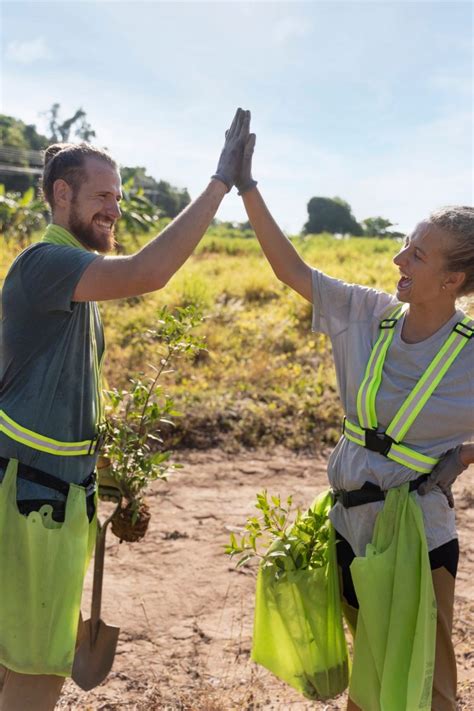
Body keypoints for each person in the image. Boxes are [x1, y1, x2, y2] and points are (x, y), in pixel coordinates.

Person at [0, 107, 250, 711]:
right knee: (33, 671)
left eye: (118, 195)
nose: (114, 208)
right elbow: (149, 272)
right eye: (102, 196)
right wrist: (220, 184)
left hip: (51, 499)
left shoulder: (78, 287)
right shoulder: (46, 264)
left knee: (14, 664)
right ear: (62, 195)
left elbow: (68, 397)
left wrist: (115, 479)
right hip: (29, 499)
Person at [234, 134, 474, 710]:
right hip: (349, 524)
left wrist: (463, 457)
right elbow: (291, 268)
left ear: (452, 281)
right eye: (404, 246)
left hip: (417, 535)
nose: (398, 260)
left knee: (426, 687)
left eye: (417, 254)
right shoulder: (366, 314)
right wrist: (246, 187)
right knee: (368, 676)